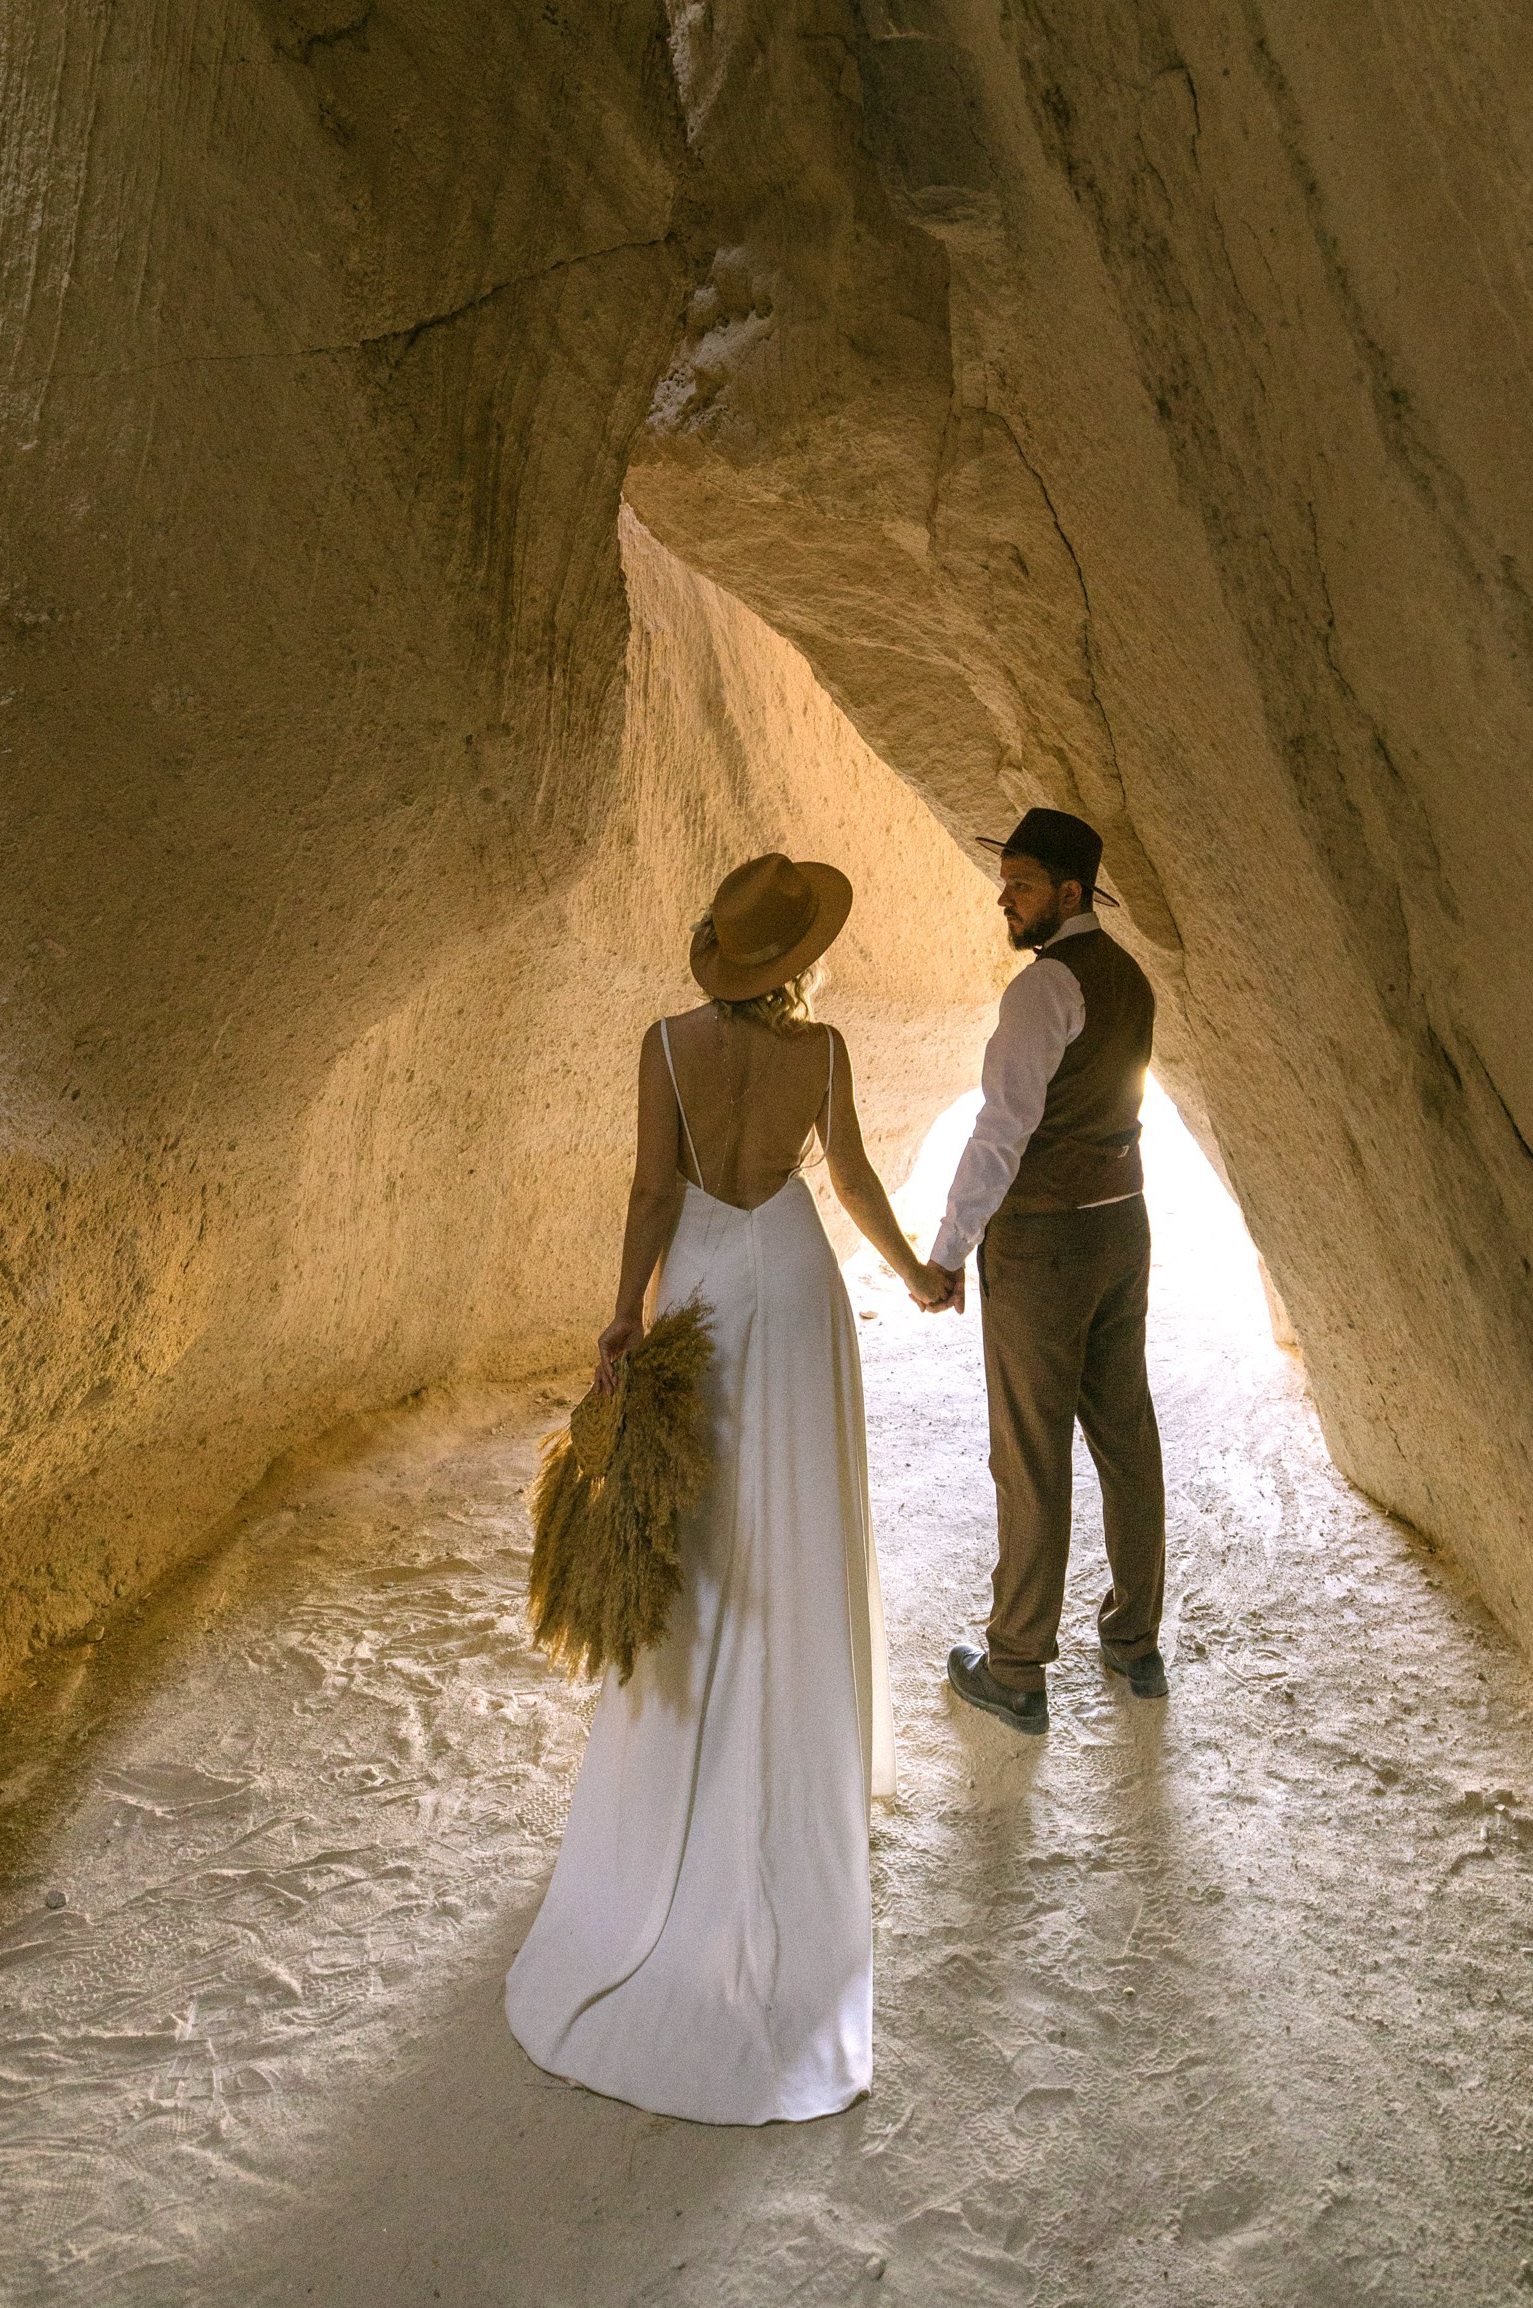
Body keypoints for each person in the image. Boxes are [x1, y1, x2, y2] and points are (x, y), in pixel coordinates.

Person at [505, 852, 952, 2124]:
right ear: (796, 959)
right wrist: (915, 1271)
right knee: (794, 1512)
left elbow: (653, 1187)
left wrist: (622, 1318)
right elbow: (852, 1179)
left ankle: (689, 1757)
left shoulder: (663, 1043)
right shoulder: (822, 1055)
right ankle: (799, 1728)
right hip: (797, 1277)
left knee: (697, 1524)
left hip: (704, 1274)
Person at [918, 807, 1168, 1731]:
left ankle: (1017, 1667)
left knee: (1030, 1454)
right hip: (1122, 1227)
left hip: (1044, 1245)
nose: (1004, 899)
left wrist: (946, 1253)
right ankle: (1134, 1643)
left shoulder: (1042, 989)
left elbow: (1001, 1132)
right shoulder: (1130, 978)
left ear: (1068, 893)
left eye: (1020, 885)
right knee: (1125, 1434)